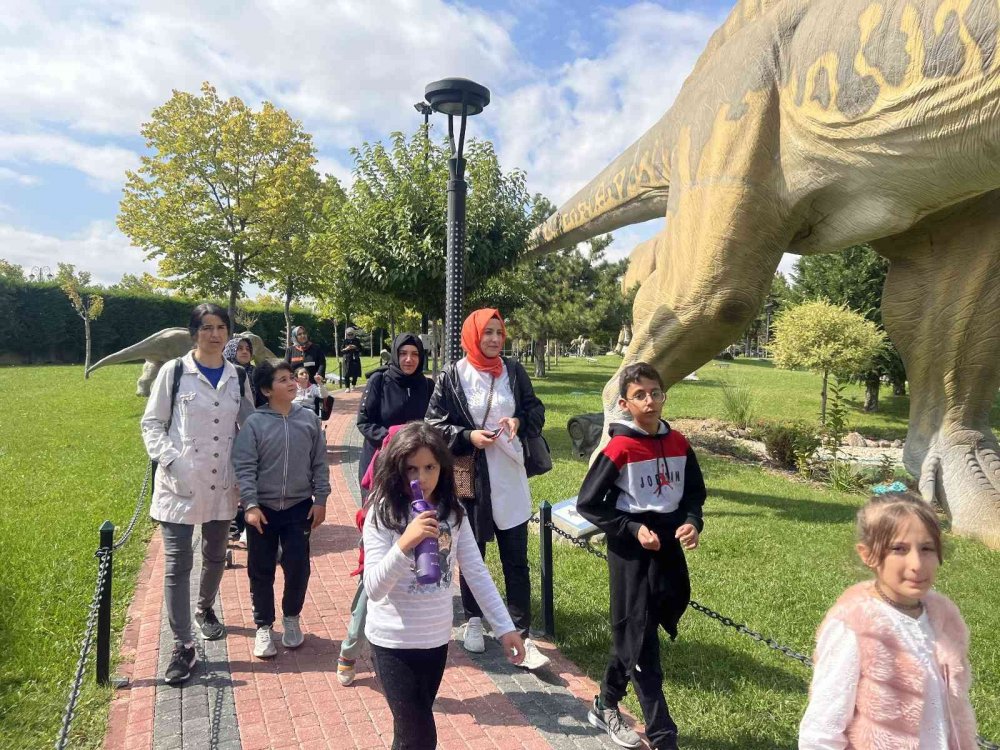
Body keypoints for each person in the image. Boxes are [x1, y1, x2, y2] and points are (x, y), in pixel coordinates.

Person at [363, 421, 525, 748]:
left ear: (442, 468)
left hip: (435, 641)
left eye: (429, 467)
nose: (421, 478)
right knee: (419, 737)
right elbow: (374, 588)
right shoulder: (382, 513)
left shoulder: (453, 512)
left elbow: (476, 572)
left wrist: (505, 627)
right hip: (393, 642)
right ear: (397, 467)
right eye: (411, 468)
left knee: (411, 730)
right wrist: (404, 544)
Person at [577, 362, 706, 750]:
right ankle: (664, 736)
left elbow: (694, 493)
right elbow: (589, 504)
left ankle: (604, 703)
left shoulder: (680, 442)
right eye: (640, 395)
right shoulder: (619, 448)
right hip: (631, 551)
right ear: (624, 402)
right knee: (641, 640)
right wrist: (632, 530)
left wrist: (692, 521)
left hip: (667, 547)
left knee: (640, 627)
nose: (650, 402)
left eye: (655, 393)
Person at [799, 491, 977, 749]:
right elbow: (821, 730)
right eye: (899, 549)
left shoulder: (943, 620)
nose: (917, 563)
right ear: (868, 554)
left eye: (926, 548)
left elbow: (951, 711)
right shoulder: (857, 628)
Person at [424, 308, 549, 670]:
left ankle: (521, 630)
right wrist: (467, 436)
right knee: (472, 551)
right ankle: (474, 620)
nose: (494, 339)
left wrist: (518, 420)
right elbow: (434, 424)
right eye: (487, 332)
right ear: (473, 336)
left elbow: (535, 410)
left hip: (509, 474)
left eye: (499, 332)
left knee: (515, 556)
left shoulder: (514, 371)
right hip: (470, 474)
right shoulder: (453, 375)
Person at [141, 303, 255, 685]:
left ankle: (204, 608)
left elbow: (251, 425)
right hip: (179, 485)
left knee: (215, 555)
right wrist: (171, 461)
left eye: (221, 327)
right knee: (177, 565)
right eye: (207, 327)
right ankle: (182, 644)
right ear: (194, 333)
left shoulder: (238, 375)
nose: (215, 334)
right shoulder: (174, 373)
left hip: (222, 483)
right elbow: (152, 424)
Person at [232, 359, 330, 659]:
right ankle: (264, 626)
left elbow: (319, 463)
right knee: (260, 569)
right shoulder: (255, 424)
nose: (291, 383)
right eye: (282, 379)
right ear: (265, 389)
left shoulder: (309, 420)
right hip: (262, 510)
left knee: (298, 566)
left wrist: (321, 500)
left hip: (299, 508)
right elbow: (244, 467)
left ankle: (291, 618)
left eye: (292, 378)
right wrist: (249, 504)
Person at [356, 333, 433, 494]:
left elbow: (434, 422)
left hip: (416, 463)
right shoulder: (379, 381)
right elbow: (364, 422)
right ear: (395, 355)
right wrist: (393, 440)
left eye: (415, 354)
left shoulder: (427, 386)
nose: (409, 359)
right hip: (381, 460)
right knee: (379, 514)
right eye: (403, 353)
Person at [223, 335, 267, 408]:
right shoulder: (223, 372)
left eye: (248, 349)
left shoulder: (256, 372)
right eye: (240, 348)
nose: (245, 351)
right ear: (230, 351)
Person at [341, 326, 363, 392]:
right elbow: (341, 351)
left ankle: (353, 385)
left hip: (355, 358)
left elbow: (361, 349)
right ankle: (347, 387)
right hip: (347, 359)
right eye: (348, 334)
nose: (350, 336)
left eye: (351, 334)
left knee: (355, 373)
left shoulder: (357, 341)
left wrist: (355, 347)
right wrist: (346, 349)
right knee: (346, 373)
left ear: (354, 334)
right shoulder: (345, 341)